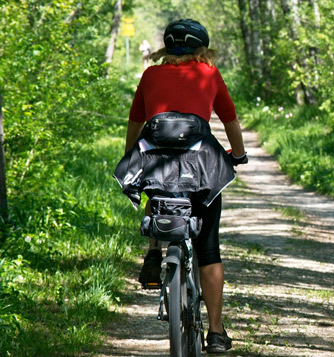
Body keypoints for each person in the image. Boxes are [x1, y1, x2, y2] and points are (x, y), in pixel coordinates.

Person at [123, 19, 247, 354]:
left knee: (156, 187)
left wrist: (130, 156)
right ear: (201, 49)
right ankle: (217, 332)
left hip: (155, 158)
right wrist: (239, 155)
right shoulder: (208, 72)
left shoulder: (150, 74)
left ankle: (153, 250)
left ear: (166, 47)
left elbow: (136, 122)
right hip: (201, 164)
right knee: (208, 249)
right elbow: (229, 118)